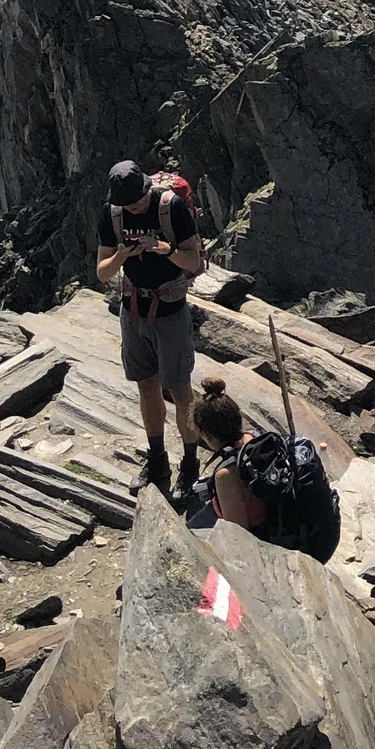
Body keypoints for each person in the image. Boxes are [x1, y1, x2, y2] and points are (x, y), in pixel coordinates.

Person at [95, 159, 205, 493]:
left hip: (170, 309)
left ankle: (190, 465)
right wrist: (122, 256)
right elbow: (102, 271)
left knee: (179, 388)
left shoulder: (170, 209)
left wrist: (163, 249)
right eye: (126, 203)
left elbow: (194, 260)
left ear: (147, 187)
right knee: (146, 384)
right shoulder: (112, 214)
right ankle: (157, 460)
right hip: (132, 309)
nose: (133, 207)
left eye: (137, 201)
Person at [190, 376, 268, 530]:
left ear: (207, 435)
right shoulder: (253, 439)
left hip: (260, 531)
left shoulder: (226, 475)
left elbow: (238, 534)